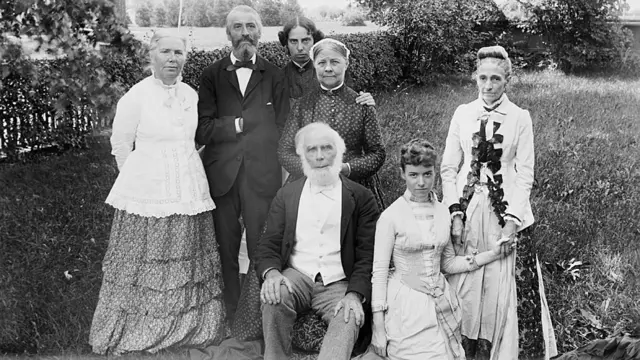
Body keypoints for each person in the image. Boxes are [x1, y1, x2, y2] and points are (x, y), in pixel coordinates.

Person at [89, 32, 225, 355]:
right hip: (147, 193)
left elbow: (196, 137)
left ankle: (189, 326)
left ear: (185, 58)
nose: (172, 58)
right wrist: (136, 180)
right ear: (152, 55)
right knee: (145, 261)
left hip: (188, 188)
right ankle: (140, 328)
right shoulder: (135, 97)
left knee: (186, 257)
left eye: (178, 52)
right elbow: (121, 145)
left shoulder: (191, 95)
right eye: (165, 51)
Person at [441, 45, 557, 359]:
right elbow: (450, 167)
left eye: (495, 78)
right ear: (474, 79)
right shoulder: (463, 113)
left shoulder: (520, 117)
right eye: (483, 78)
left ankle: (500, 348)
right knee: (463, 277)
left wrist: (512, 220)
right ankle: (459, 343)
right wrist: (454, 211)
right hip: (468, 210)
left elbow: (525, 172)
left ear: (507, 80)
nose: (488, 85)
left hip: (505, 212)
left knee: (502, 280)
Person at [360, 139, 510, 360]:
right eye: (413, 175)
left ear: (434, 173)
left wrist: (492, 254)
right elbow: (379, 273)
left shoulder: (442, 212)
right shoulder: (390, 217)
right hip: (407, 305)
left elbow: (448, 264)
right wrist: (379, 328)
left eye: (427, 174)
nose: (421, 182)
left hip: (440, 300)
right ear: (402, 174)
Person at [255, 122, 380, 360]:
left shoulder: (361, 197)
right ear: (302, 155)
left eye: (327, 148)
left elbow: (368, 255)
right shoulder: (287, 195)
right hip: (297, 275)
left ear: (340, 152)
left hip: (339, 281)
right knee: (274, 295)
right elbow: (268, 243)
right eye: (312, 150)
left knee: (349, 314)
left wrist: (354, 294)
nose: (320, 156)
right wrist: (272, 274)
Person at [196, 5, 289, 324]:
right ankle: (233, 312)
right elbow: (203, 129)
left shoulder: (274, 75)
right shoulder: (211, 75)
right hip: (222, 176)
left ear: (260, 33)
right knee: (226, 245)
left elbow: (283, 127)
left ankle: (261, 313)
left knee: (263, 246)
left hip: (262, 175)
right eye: (238, 27)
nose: (245, 32)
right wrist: (238, 124)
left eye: (251, 26)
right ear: (228, 33)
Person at [278, 38, 386, 210]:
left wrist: (347, 168)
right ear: (315, 65)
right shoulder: (302, 105)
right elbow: (284, 151)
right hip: (309, 186)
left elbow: (378, 153)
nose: (328, 68)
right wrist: (311, 169)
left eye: (335, 62)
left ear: (346, 63)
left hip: (353, 186)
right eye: (322, 62)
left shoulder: (361, 104)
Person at [278, 16, 376, 108]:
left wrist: (364, 100)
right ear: (286, 43)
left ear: (314, 41)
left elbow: (349, 103)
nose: (300, 48)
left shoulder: (333, 72)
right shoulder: (278, 78)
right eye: (294, 41)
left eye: (305, 40)